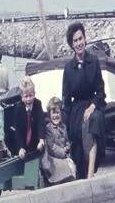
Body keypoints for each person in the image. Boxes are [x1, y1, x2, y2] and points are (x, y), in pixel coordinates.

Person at [62, 22, 106, 179]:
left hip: (94, 104)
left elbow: (101, 91)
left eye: (81, 39)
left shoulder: (93, 61)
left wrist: (92, 106)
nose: (79, 43)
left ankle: (90, 173)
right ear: (71, 45)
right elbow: (66, 99)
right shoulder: (68, 68)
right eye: (75, 41)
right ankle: (82, 171)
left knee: (94, 121)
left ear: (85, 39)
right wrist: (62, 122)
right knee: (76, 134)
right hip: (76, 109)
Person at [40, 96, 76, 185]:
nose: (56, 115)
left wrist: (67, 147)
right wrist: (62, 152)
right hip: (53, 158)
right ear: (49, 115)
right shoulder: (48, 129)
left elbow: (67, 140)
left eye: (58, 113)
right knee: (59, 171)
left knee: (71, 165)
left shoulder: (63, 127)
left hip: (64, 155)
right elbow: (51, 146)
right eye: (53, 113)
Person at [9, 76, 45, 160]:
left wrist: (41, 139)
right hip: (22, 141)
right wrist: (20, 147)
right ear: (21, 96)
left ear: (34, 94)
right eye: (26, 96)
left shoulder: (38, 104)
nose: (28, 99)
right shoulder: (18, 108)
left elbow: (41, 122)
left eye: (30, 96)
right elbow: (18, 131)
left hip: (34, 142)